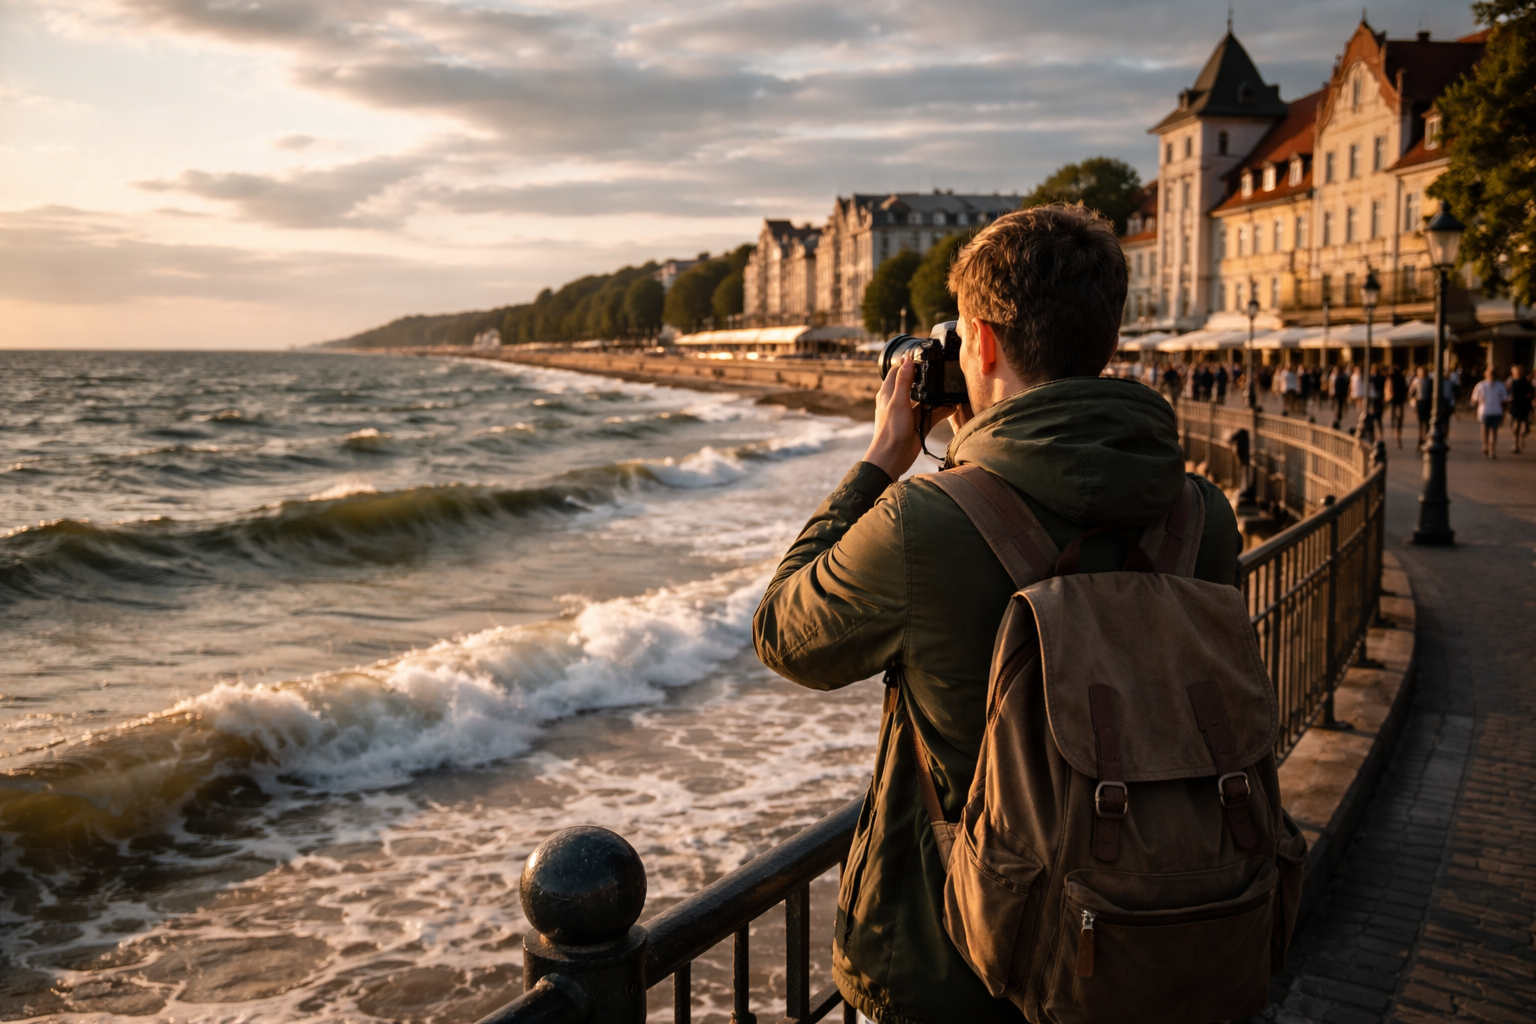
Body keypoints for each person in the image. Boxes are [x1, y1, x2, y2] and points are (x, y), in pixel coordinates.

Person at [753, 204, 1242, 1024]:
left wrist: (883, 458)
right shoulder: (1201, 515)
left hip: (958, 961)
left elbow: (784, 634)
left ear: (978, 342)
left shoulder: (927, 522)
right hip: (1152, 927)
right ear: (1107, 337)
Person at [1472, 365, 1510, 458]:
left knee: (1492, 430)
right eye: (1490, 374)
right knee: (1487, 430)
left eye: (1493, 374)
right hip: (1486, 411)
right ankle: (1486, 446)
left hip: (1495, 411)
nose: (1491, 376)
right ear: (1486, 375)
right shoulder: (1481, 385)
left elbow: (1504, 398)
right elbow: (1474, 398)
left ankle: (1491, 449)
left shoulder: (1499, 385)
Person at [1508, 365, 1533, 454]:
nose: (1514, 373)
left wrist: (1529, 396)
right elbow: (1508, 393)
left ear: (1520, 372)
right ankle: (1516, 444)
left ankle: (1521, 437)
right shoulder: (1512, 382)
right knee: (1514, 426)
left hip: (1524, 407)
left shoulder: (1526, 382)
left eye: (1516, 371)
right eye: (1513, 371)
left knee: (1522, 426)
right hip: (1514, 406)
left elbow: (1531, 394)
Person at [1409, 366, 1434, 449]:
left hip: (1420, 402)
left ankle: (1421, 441)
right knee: (1426, 423)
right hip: (1427, 403)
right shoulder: (1430, 380)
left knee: (1421, 423)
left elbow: (1411, 392)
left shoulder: (1416, 380)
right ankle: (1425, 440)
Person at [1387, 364, 1408, 448]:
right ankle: (1399, 419)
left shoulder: (1391, 377)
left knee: (1393, 408)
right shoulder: (1402, 378)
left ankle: (1393, 419)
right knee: (1399, 410)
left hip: (1394, 397)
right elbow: (1405, 388)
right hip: (1400, 398)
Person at [1331, 364, 1351, 429]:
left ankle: (1339, 413)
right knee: (1341, 404)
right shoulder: (1344, 378)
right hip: (1342, 393)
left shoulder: (1338, 378)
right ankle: (1340, 413)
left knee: (1339, 404)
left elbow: (1336, 386)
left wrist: (1336, 392)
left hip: (1339, 393)